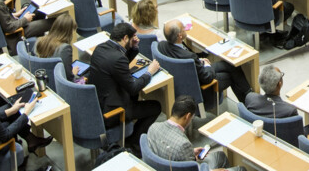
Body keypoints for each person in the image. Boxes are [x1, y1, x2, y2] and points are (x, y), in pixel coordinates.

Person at [87, 22, 161, 152]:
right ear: (125, 38)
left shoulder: (101, 48)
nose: (134, 39)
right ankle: (133, 142)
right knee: (156, 107)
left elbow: (118, 63)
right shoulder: (117, 59)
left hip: (98, 103)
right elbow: (133, 87)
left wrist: (133, 48)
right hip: (114, 111)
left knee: (135, 97)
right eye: (132, 37)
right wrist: (150, 72)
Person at [158, 19, 252, 105]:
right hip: (201, 84)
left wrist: (199, 60)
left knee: (231, 65)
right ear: (179, 36)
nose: (186, 29)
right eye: (183, 29)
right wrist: (206, 64)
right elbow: (207, 77)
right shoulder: (189, 57)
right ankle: (248, 102)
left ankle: (248, 94)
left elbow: (188, 57)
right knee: (232, 76)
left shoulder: (162, 45)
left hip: (188, 75)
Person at [146, 95, 240, 171]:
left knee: (220, 155)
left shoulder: (153, 128)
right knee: (240, 169)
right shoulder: (183, 144)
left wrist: (190, 154)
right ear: (188, 116)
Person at [244, 66, 309, 132]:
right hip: (289, 139)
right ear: (279, 84)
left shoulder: (250, 98)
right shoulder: (289, 111)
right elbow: (298, 135)